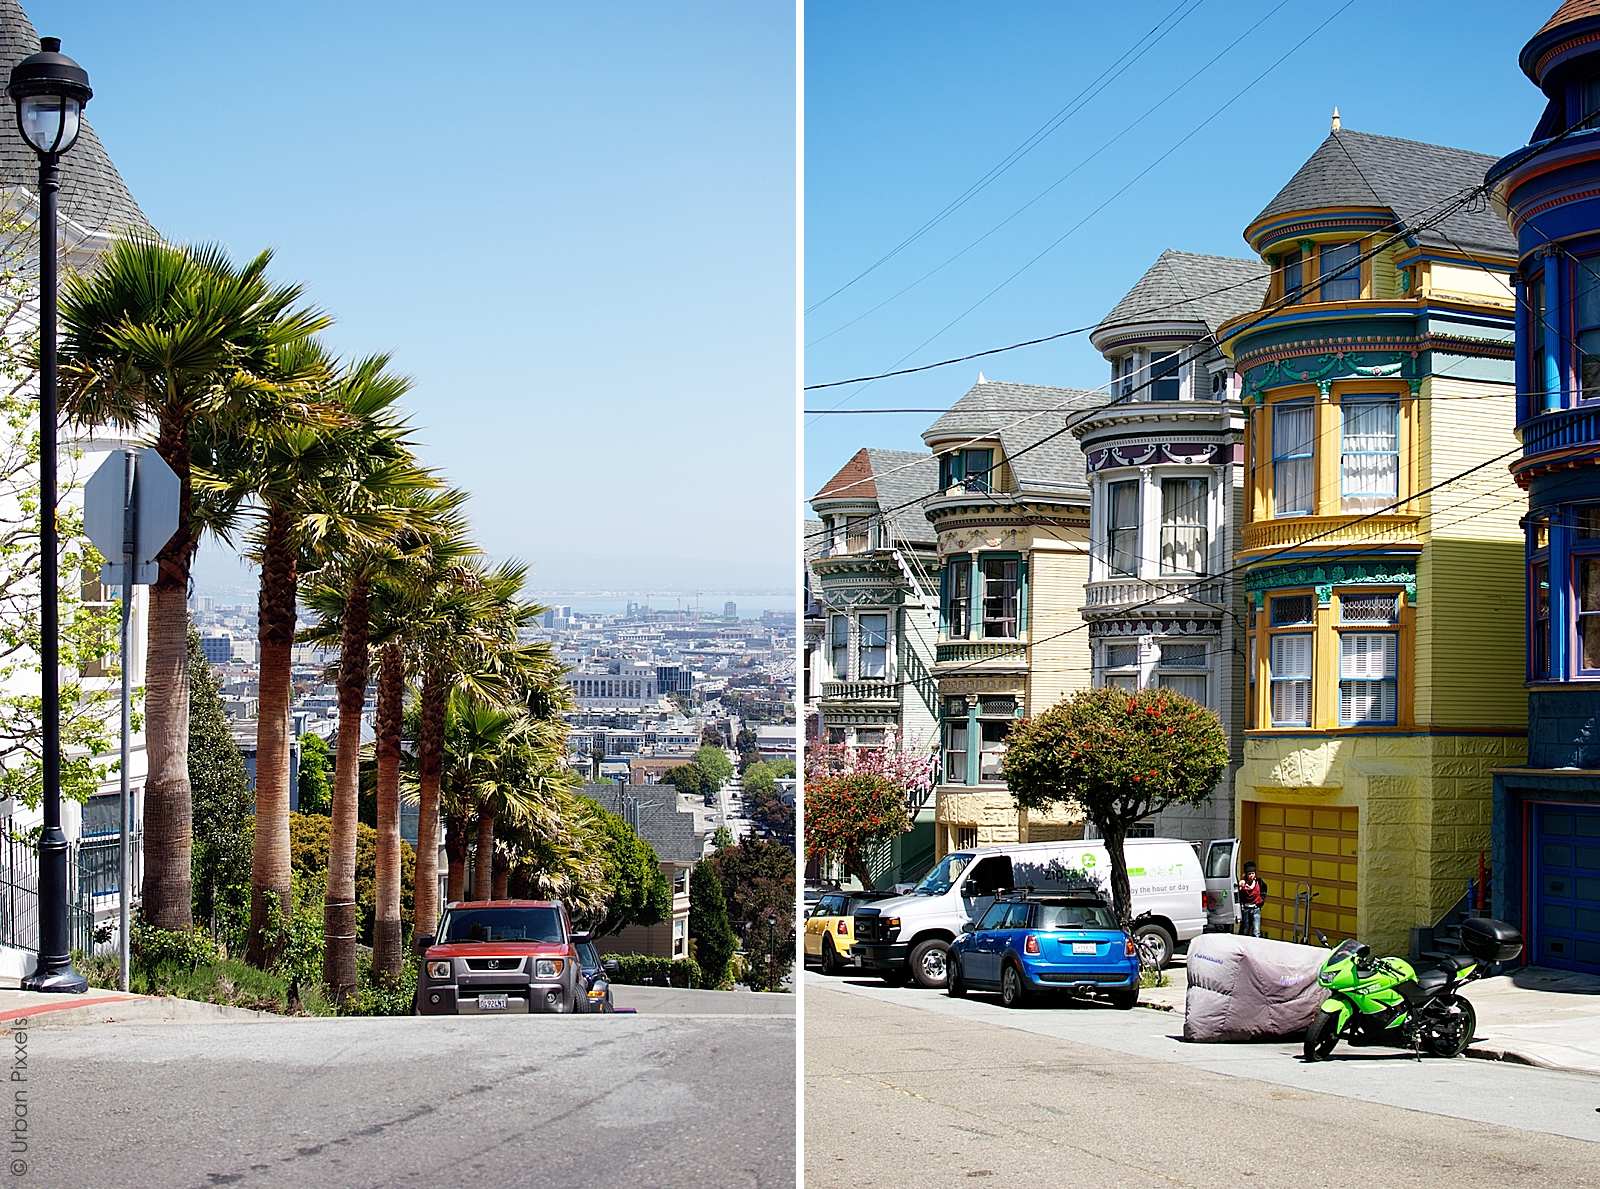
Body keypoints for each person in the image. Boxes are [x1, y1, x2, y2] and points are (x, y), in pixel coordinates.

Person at [1237, 861, 1267, 938]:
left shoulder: (1259, 882)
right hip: (1246, 909)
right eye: (1249, 874)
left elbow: (1263, 893)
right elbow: (1239, 895)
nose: (1251, 875)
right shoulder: (1243, 884)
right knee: (1245, 930)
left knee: (1256, 931)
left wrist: (1260, 902)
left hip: (1256, 909)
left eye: (1253, 873)